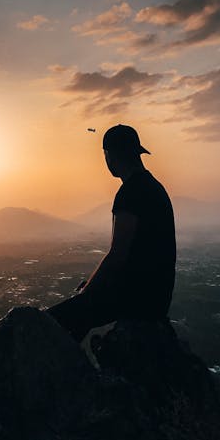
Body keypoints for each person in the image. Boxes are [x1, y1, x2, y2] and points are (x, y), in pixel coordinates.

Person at [46, 124, 176, 343]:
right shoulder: (154, 187)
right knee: (80, 315)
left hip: (135, 298)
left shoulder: (130, 193)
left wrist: (88, 291)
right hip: (156, 298)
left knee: (46, 323)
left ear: (110, 155)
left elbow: (118, 255)